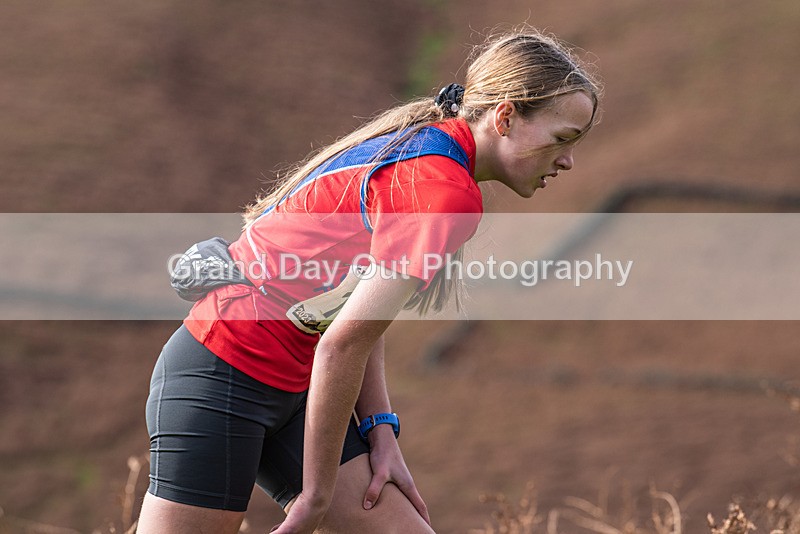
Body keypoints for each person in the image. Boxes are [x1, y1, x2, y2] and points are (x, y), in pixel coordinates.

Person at [137, 27, 601, 534]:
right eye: (562, 139)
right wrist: (314, 499)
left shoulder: (427, 147)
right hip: (221, 374)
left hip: (298, 390)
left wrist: (381, 431)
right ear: (507, 115)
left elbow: (359, 315)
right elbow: (341, 344)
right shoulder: (444, 191)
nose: (567, 160)